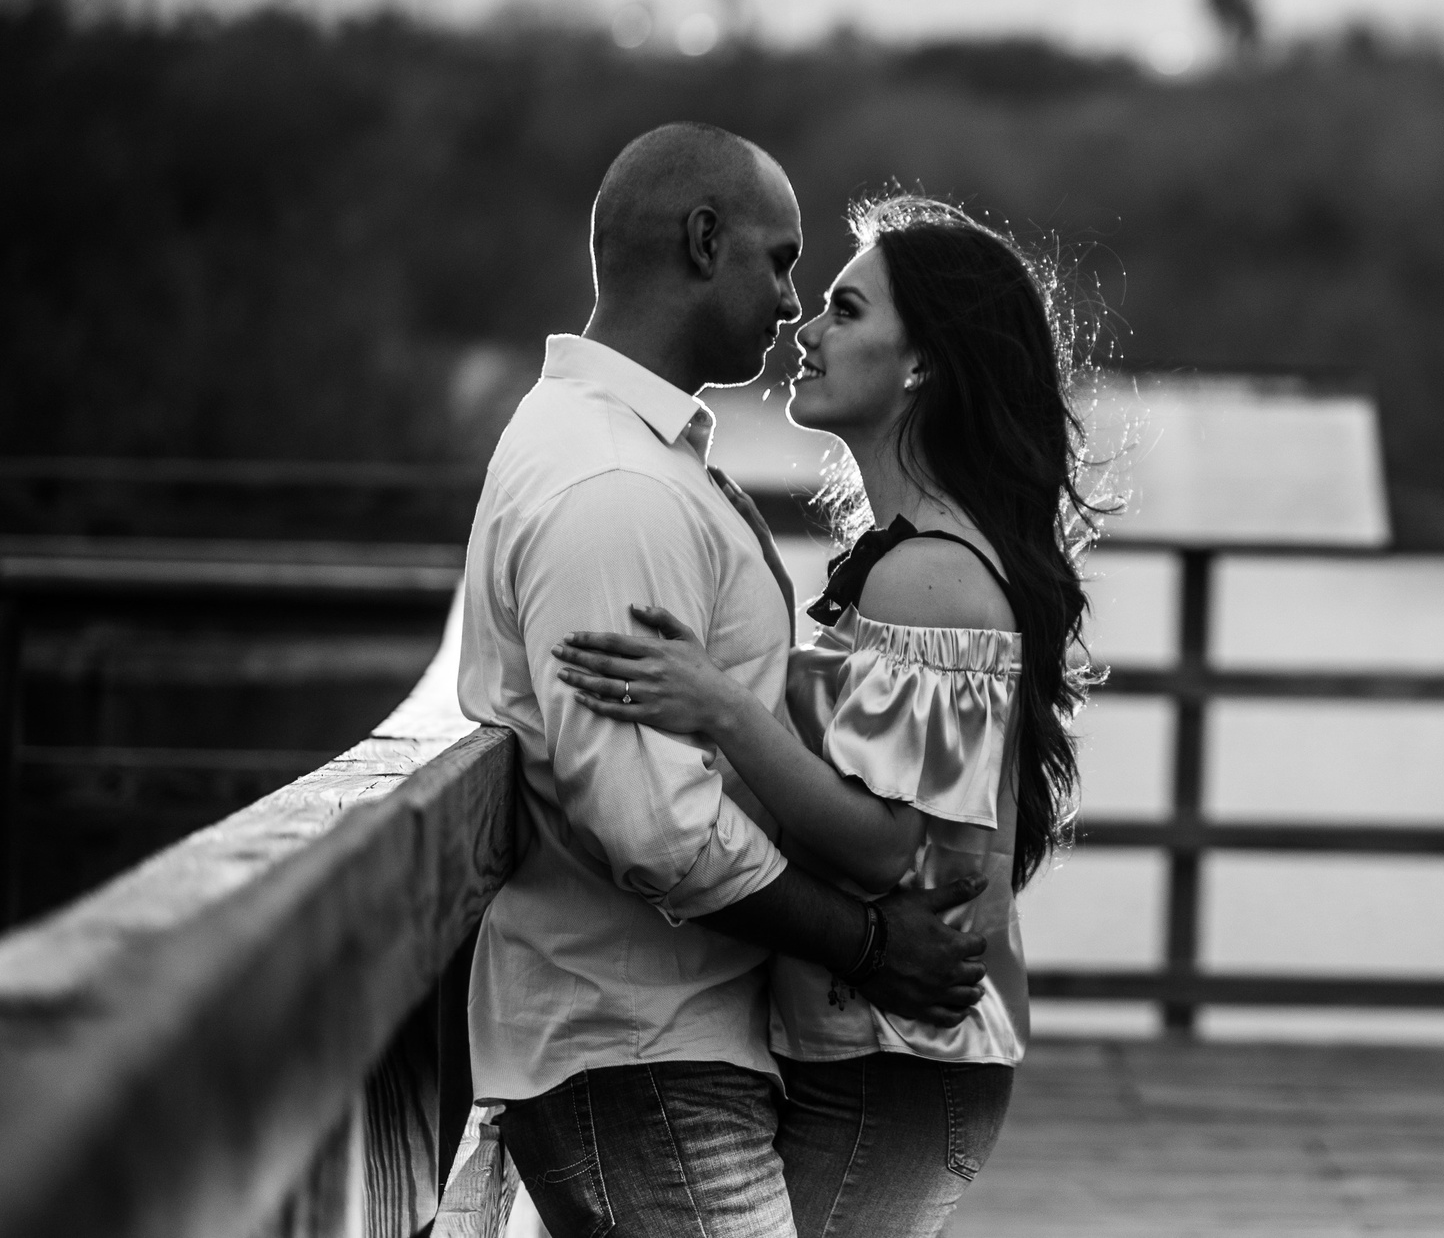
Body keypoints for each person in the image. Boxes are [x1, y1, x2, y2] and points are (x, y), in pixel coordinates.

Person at [456, 129, 992, 1238]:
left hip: (679, 1038)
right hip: (638, 1045)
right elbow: (658, 827)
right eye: (783, 260)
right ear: (705, 240)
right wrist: (872, 945)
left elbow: (930, 824)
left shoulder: (631, 453)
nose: (793, 304)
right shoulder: (615, 486)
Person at [549, 194, 1102, 1238]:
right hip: (865, 1056)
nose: (804, 330)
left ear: (923, 362)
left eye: (845, 311)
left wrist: (716, 706)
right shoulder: (908, 557)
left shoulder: (932, 575)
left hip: (896, 1066)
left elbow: (895, 845)